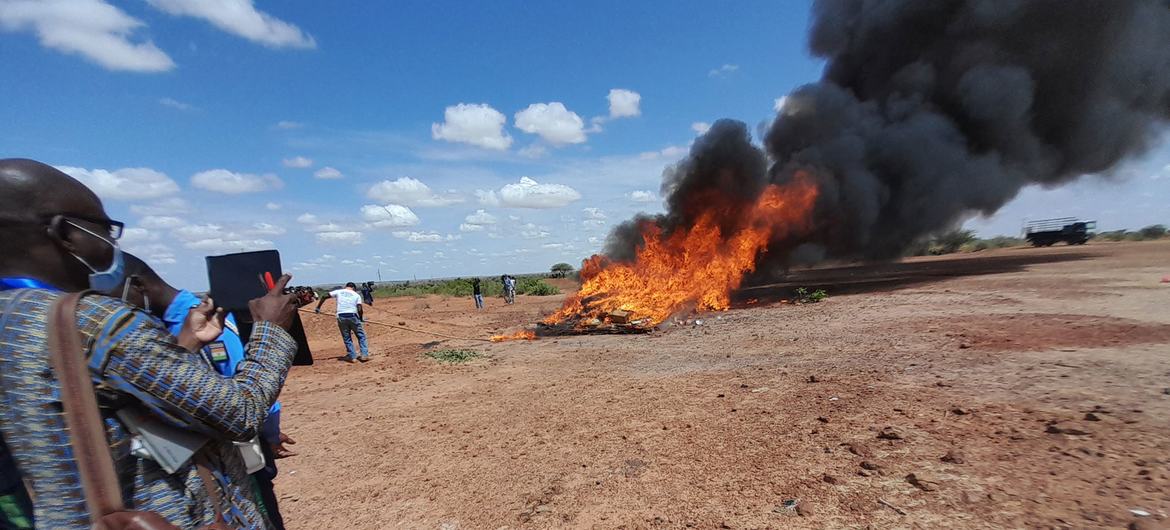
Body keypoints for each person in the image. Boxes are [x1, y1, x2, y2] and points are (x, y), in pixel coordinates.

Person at [0, 158, 299, 528]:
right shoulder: (95, 320)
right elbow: (239, 413)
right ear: (64, 233)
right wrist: (270, 329)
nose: (111, 243)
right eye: (105, 229)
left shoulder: (14, 318)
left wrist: (184, 344)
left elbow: (105, 397)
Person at [112, 253, 295, 530]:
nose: (113, 308)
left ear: (137, 285)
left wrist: (269, 431)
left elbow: (240, 385)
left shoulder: (211, 323)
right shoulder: (176, 327)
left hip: (237, 459)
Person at [314, 282, 370, 363]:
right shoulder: (356, 295)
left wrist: (318, 307)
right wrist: (360, 319)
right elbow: (359, 308)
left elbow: (324, 296)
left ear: (346, 287)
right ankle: (364, 355)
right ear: (353, 288)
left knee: (347, 338)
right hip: (353, 316)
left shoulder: (339, 291)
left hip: (341, 316)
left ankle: (352, 357)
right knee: (361, 336)